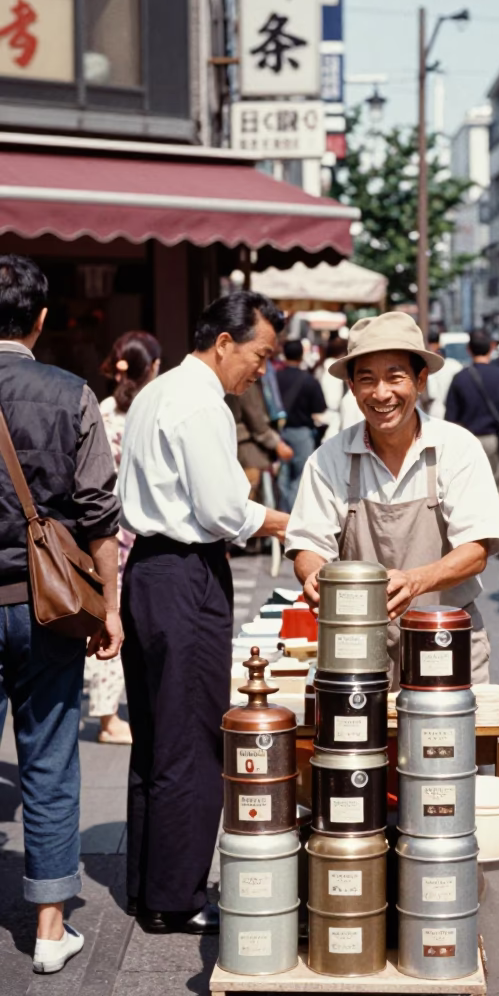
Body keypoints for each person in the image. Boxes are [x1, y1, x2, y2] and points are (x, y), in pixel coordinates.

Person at [117, 292, 289, 934]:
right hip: (186, 573)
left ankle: (148, 883)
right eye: (259, 354)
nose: (260, 369)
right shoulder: (202, 402)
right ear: (224, 342)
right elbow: (221, 509)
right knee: (192, 738)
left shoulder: (158, 391)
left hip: (148, 572)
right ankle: (177, 896)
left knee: (157, 736)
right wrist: (281, 520)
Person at [0, 255, 122, 975]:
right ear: (42, 320)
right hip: (46, 607)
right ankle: (50, 929)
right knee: (48, 756)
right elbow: (100, 514)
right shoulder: (70, 393)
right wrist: (108, 608)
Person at [286, 312, 499, 688]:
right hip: (355, 645)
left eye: (395, 376)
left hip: (445, 635)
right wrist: (311, 575)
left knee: (446, 745)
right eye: (367, 379)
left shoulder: (457, 449)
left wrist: (416, 581)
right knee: (361, 745)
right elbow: (308, 544)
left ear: (420, 380)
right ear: (352, 388)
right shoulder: (329, 458)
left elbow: (476, 549)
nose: (381, 393)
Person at [85, 331, 161, 747]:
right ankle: (110, 719)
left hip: (103, 528)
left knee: (106, 619)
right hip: (134, 527)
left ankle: (109, 712)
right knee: (120, 620)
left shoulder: (102, 410)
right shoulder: (149, 412)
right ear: (150, 367)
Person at [445, 329, 499, 533]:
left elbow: (450, 417)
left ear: (469, 349)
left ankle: (472, 532)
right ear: (492, 347)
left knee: (468, 487)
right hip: (495, 438)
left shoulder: (460, 378)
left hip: (467, 440)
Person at [276, 338, 327, 511]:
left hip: (278, 434)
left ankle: (283, 515)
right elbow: (319, 408)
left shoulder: (274, 378)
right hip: (302, 433)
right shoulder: (308, 380)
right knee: (300, 478)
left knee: (281, 479)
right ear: (301, 355)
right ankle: (293, 519)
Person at [228, 377, 293, 502]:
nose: (262, 369)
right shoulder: (245, 384)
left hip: (245, 449)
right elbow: (257, 422)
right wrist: (277, 444)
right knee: (253, 501)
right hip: (249, 451)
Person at [425, 328, 463, 419]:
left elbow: (431, 393)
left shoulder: (426, 368)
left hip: (434, 412)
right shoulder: (455, 365)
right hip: (453, 413)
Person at [316, 336, 349, 440]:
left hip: (323, 419)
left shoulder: (321, 367)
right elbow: (333, 401)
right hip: (330, 421)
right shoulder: (334, 372)